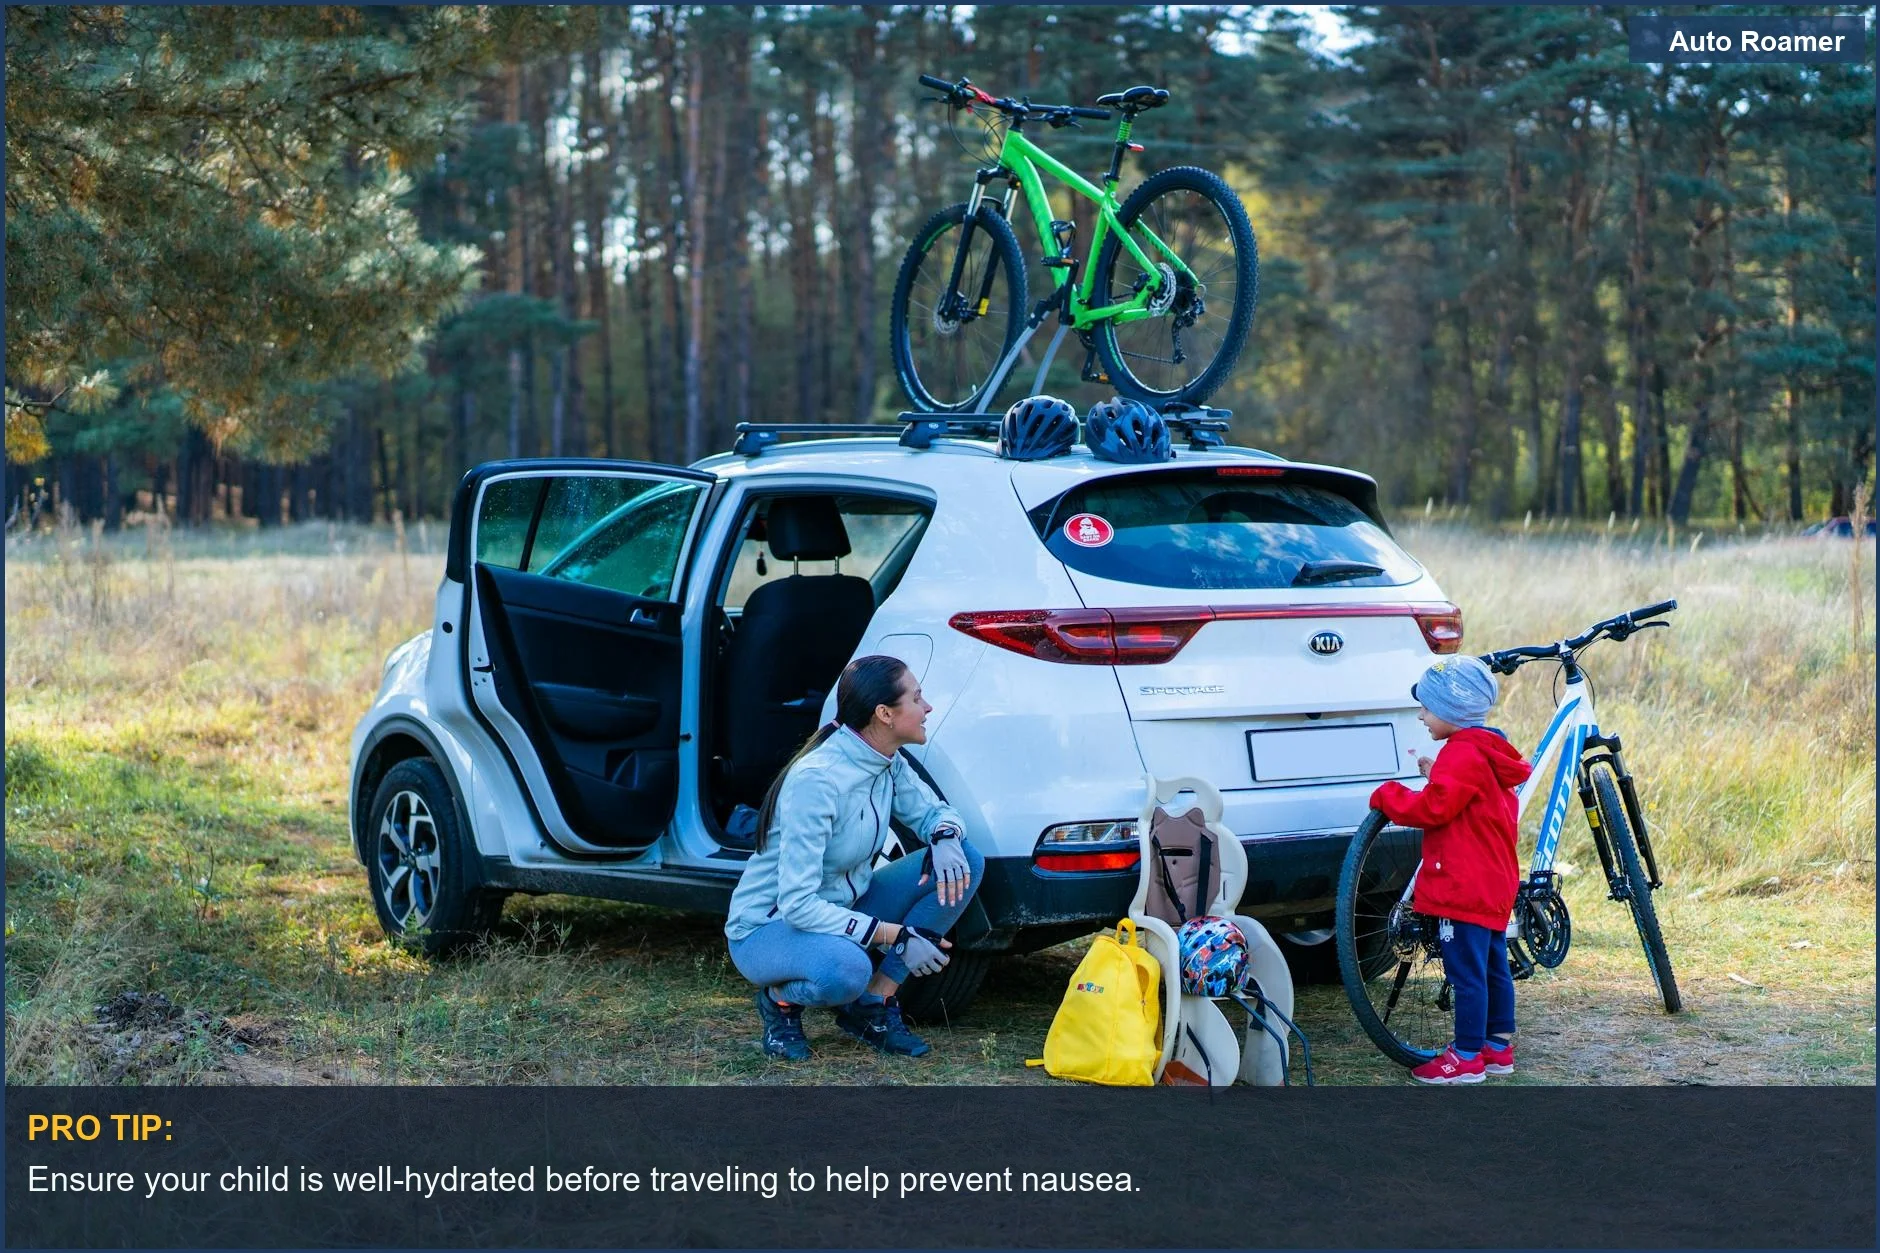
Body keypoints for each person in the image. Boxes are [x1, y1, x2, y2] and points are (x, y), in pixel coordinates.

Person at [724, 655, 983, 1062]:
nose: (927, 707)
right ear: (884, 714)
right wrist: (897, 935)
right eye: (917, 698)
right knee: (846, 970)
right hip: (768, 928)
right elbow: (798, 905)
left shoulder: (887, 761)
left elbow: (934, 812)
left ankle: (874, 1005)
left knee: (964, 859)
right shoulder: (818, 780)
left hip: (844, 907)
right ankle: (780, 1001)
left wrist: (946, 836)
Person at [1369, 654, 1532, 1085]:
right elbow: (1465, 794)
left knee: (1465, 974)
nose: (1421, 715)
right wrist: (1438, 770)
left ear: (1451, 712)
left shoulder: (1461, 756)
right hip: (1493, 882)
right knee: (1492, 965)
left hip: (1462, 885)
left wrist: (1389, 795)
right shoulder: (1487, 750)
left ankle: (1464, 1058)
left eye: (1427, 707)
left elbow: (1435, 807)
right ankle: (1497, 1048)